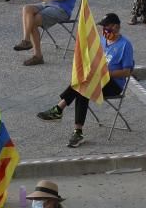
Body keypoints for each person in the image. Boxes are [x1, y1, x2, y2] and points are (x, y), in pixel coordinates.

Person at [37, 12, 134, 147]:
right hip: (95, 80)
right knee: (84, 86)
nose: (104, 29)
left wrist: (105, 74)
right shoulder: (101, 41)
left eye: (107, 26)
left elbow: (127, 72)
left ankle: (59, 110)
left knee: (85, 86)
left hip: (113, 84)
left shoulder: (125, 45)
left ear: (116, 27)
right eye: (103, 27)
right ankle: (77, 130)